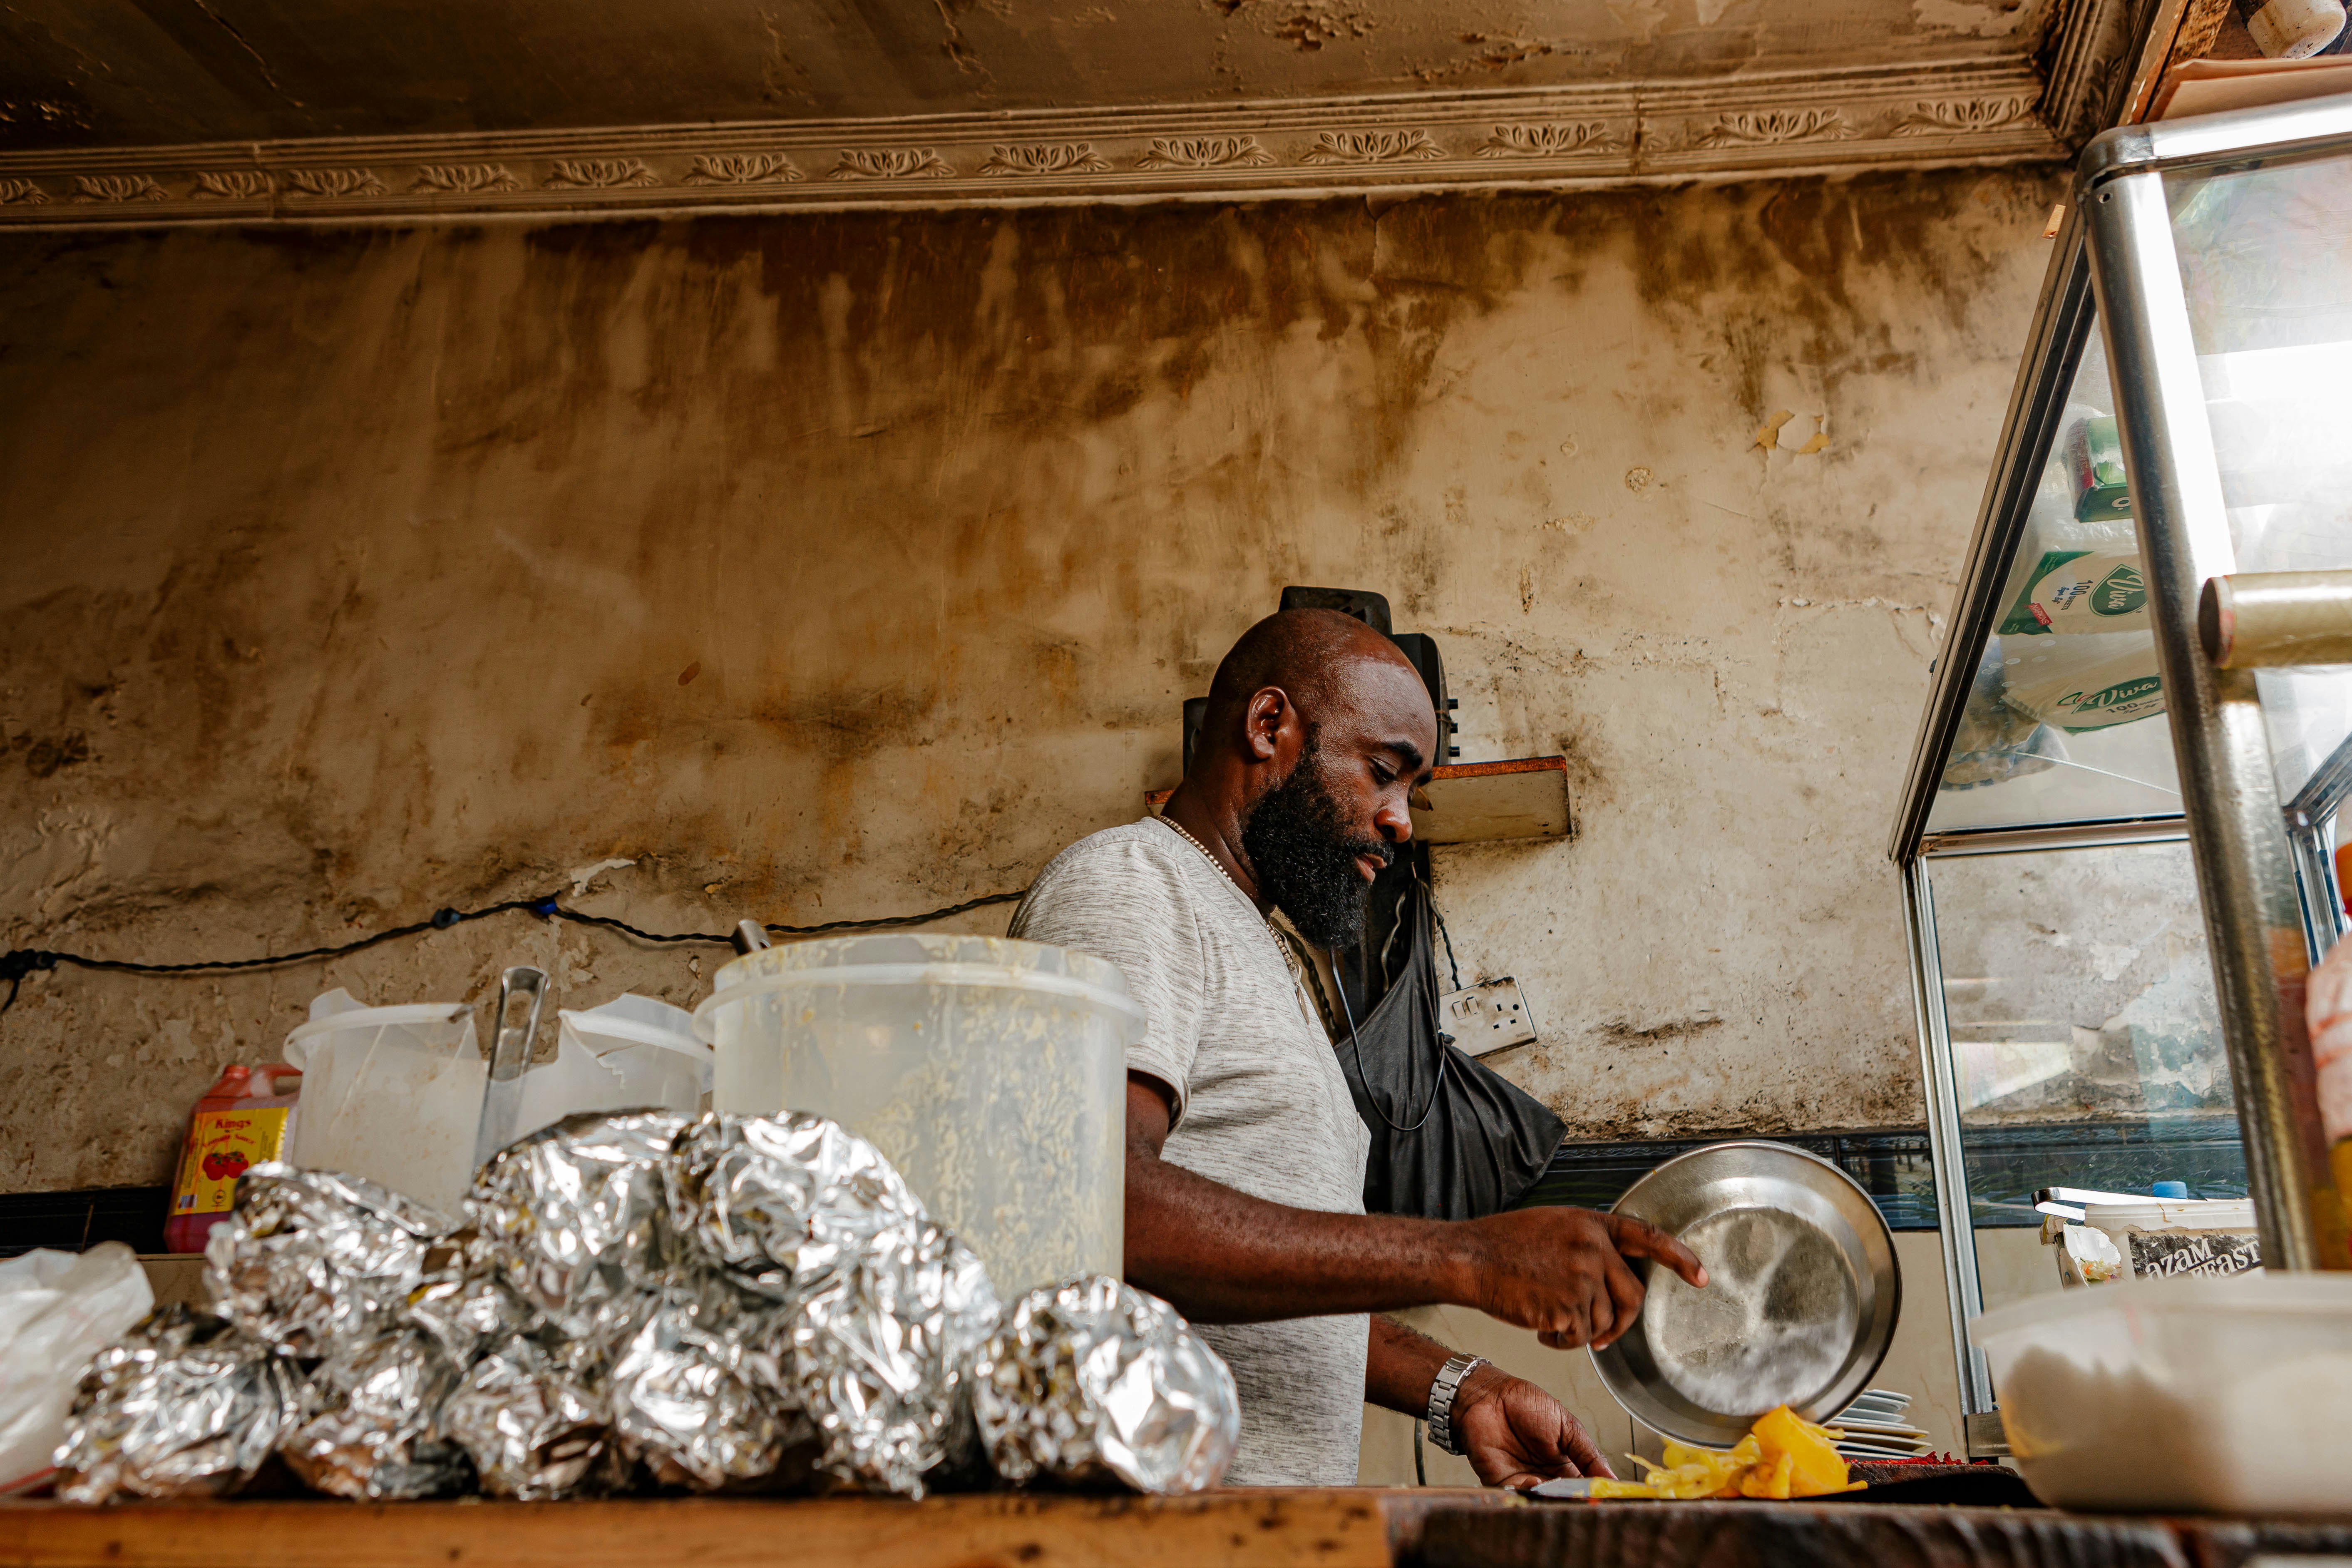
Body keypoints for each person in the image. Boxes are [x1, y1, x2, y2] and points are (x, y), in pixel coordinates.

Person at [1009, 608, 1709, 1488]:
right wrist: (1471, 1257)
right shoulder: (1132, 887)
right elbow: (1098, 1206)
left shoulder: (1265, 950)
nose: (1401, 820)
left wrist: (1463, 1391)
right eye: (1384, 773)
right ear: (1270, 727)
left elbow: (1261, 1284)